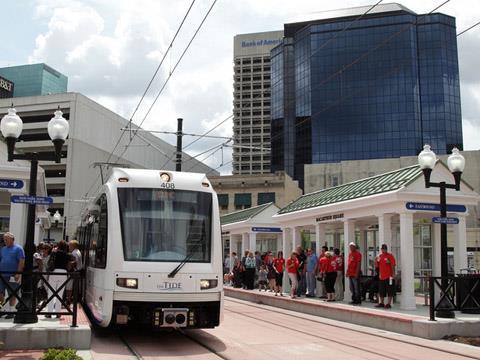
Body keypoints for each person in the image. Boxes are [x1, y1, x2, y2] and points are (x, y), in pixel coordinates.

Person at [46, 240, 73, 318]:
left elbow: (49, 262)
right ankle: (58, 313)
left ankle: (49, 313)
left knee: (51, 293)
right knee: (60, 294)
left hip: (54, 272)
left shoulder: (54, 252)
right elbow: (70, 264)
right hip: (63, 273)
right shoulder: (68, 255)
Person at [0, 232, 25, 319]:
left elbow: (21, 261)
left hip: (13, 275)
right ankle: (1, 309)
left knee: (12, 293)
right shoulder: (3, 249)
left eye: (6, 239)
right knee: (0, 293)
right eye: (4, 239)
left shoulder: (18, 249)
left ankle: (11, 311)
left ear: (12, 239)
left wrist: (18, 273)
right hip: (2, 275)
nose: (5, 241)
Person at [375, 244, 396, 309]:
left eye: (385, 249)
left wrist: (393, 274)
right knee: (381, 290)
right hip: (382, 276)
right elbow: (377, 266)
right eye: (383, 249)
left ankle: (389, 303)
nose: (384, 250)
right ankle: (381, 302)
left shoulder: (390, 256)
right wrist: (375, 260)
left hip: (389, 276)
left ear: (386, 249)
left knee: (390, 290)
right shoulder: (380, 256)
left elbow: (393, 265)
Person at [66, 240, 82, 304]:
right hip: (76, 271)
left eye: (69, 245)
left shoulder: (74, 253)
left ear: (73, 246)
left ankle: (68, 300)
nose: (69, 247)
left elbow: (73, 263)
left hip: (73, 272)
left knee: (69, 287)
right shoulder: (77, 252)